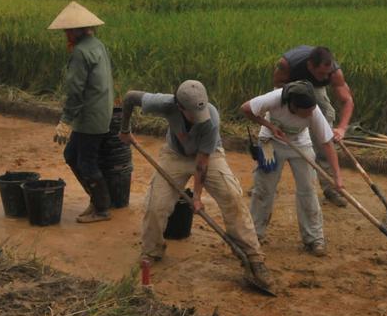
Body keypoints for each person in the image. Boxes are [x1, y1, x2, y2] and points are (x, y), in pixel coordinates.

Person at [118, 80, 274, 287]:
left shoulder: (211, 118)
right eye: (191, 113)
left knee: (232, 197)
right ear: (179, 107)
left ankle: (254, 258)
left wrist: (198, 197)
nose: (199, 118)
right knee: (156, 205)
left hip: (209, 155)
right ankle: (152, 250)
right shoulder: (165, 103)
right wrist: (125, 129)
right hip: (175, 155)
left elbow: (202, 162)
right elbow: (129, 97)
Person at [242, 81, 345, 256]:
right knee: (264, 190)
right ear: (292, 106)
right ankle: (254, 236)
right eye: (306, 112)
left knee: (308, 190)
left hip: (300, 143)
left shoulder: (314, 111)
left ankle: (314, 239)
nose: (310, 114)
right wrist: (270, 126)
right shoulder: (274, 99)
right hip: (270, 142)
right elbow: (245, 109)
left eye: (312, 110)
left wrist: (337, 177)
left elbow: (327, 143)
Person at [48, 1, 115, 224]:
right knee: (71, 155)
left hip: (90, 116)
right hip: (100, 110)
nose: (66, 34)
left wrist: (66, 120)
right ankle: (96, 201)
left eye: (67, 30)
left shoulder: (80, 52)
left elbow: (76, 90)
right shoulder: (98, 45)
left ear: (76, 31)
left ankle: (102, 208)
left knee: (86, 162)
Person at [273, 45, 354, 207]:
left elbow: (347, 100)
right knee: (276, 138)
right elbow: (277, 83)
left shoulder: (334, 73)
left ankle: (330, 188)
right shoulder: (288, 65)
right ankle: (266, 183)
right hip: (289, 87)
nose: (324, 76)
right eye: (320, 73)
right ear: (310, 66)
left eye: (327, 73)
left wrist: (342, 128)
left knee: (324, 142)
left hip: (316, 92)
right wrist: (295, 100)